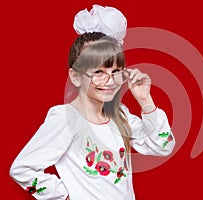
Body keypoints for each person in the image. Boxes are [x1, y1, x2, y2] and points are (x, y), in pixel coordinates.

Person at [9, 4, 175, 200]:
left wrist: (146, 101)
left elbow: (163, 146)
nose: (109, 81)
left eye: (115, 72)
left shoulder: (119, 115)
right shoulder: (66, 118)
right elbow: (22, 169)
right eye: (98, 73)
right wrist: (66, 195)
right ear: (76, 77)